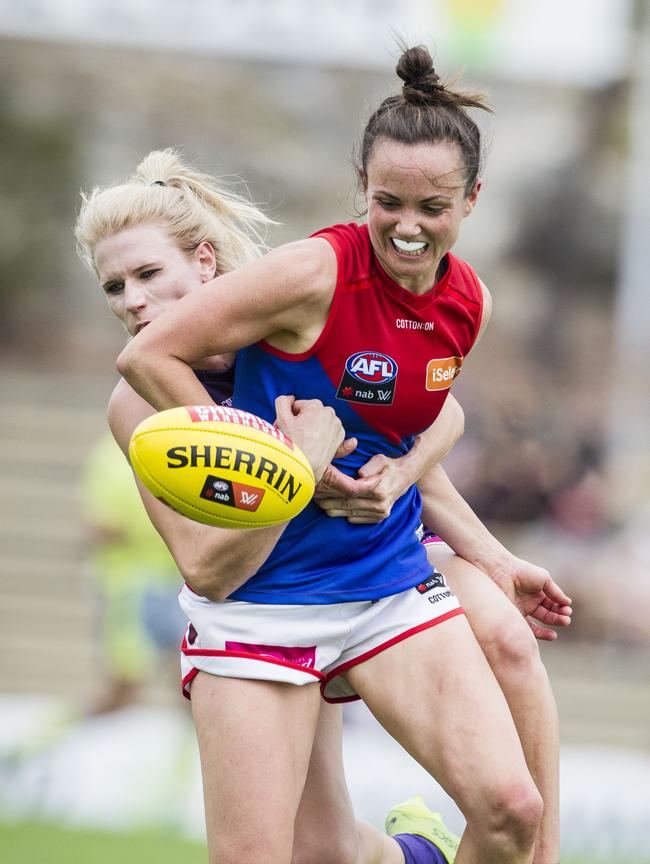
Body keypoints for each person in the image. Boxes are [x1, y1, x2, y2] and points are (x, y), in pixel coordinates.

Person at [77, 46, 571, 864]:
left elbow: (428, 416)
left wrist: (475, 537)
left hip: (383, 578)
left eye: (146, 276)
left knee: (513, 714)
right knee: (322, 855)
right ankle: (413, 853)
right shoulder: (150, 403)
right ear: (363, 194)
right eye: (114, 288)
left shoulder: (344, 303)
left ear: (207, 265)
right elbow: (210, 569)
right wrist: (287, 461)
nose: (134, 304)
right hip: (261, 612)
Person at [80, 431, 188, 713]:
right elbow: (101, 527)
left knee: (189, 681)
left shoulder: (176, 446)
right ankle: (53, 740)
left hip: (176, 583)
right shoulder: (110, 454)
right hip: (129, 590)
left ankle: (201, 753)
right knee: (124, 686)